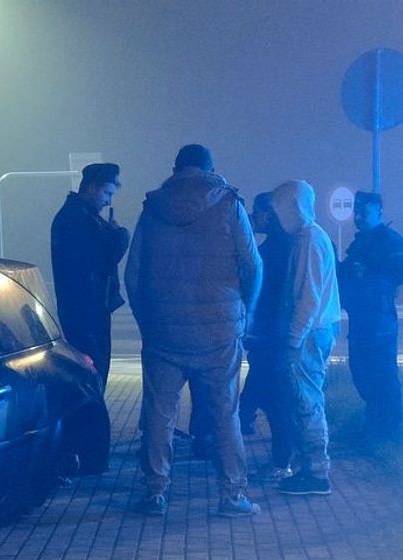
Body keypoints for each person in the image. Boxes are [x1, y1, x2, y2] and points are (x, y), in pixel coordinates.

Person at [125, 144, 262, 517]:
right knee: (225, 413)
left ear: (175, 168)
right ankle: (232, 495)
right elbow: (252, 266)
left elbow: (133, 274)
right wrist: (243, 313)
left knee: (159, 414)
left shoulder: (152, 209)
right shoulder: (229, 205)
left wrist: (147, 321)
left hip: (163, 336)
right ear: (210, 168)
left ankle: (155, 492)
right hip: (219, 333)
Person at [271, 180, 341, 496]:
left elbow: (308, 297)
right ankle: (309, 469)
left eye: (281, 209)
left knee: (307, 403)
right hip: (314, 332)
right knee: (306, 401)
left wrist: (294, 338)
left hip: (310, 335)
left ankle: (316, 473)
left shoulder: (310, 239)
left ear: (294, 207)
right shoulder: (309, 237)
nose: (278, 216)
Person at [50, 162, 130, 389]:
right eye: (107, 193)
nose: (108, 201)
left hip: (86, 310)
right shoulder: (79, 219)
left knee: (90, 375)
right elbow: (102, 258)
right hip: (87, 312)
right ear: (92, 188)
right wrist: (120, 235)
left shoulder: (77, 216)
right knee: (91, 377)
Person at [337, 191, 403, 442]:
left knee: (383, 376)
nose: (358, 216)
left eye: (364, 212)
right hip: (361, 320)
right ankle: (374, 426)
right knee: (362, 372)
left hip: (379, 321)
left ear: (380, 213)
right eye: (357, 211)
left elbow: (398, 271)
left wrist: (371, 272)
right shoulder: (359, 243)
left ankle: (388, 431)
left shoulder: (390, 241)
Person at [241, 192, 295, 477]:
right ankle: (281, 458)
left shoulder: (275, 249)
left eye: (257, 212)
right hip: (269, 335)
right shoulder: (280, 246)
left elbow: (261, 291)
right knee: (261, 393)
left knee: (275, 400)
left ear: (270, 215)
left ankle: (282, 461)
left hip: (270, 335)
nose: (253, 216)